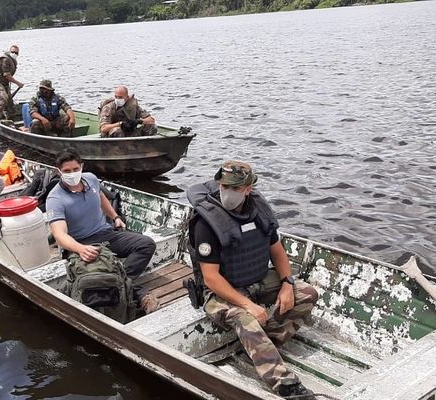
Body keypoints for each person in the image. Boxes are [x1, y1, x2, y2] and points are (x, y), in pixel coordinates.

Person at [186, 161, 319, 400]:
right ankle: (286, 386)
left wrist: (288, 283)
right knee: (245, 319)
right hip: (221, 292)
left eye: (235, 188)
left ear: (248, 188)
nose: (227, 191)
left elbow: (277, 250)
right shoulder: (207, 222)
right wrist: (247, 305)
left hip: (257, 280)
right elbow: (211, 278)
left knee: (308, 293)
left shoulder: (259, 210)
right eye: (224, 185)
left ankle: (268, 342)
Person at [46, 147, 159, 313]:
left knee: (146, 244)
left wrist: (115, 217)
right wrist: (81, 249)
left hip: (106, 234)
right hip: (80, 244)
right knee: (97, 274)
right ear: (59, 172)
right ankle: (139, 293)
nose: (72, 173)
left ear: (82, 166)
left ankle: (120, 281)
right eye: (67, 171)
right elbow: (59, 234)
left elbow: (100, 197)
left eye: (76, 169)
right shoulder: (55, 198)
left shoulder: (90, 179)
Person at [0, 44, 23, 120]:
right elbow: (7, 75)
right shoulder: (5, 59)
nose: (14, 54)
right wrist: (18, 83)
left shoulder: (13, 61)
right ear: (10, 51)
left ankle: (10, 118)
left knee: (10, 105)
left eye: (16, 53)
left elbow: (8, 76)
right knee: (4, 96)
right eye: (13, 52)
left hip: (4, 82)